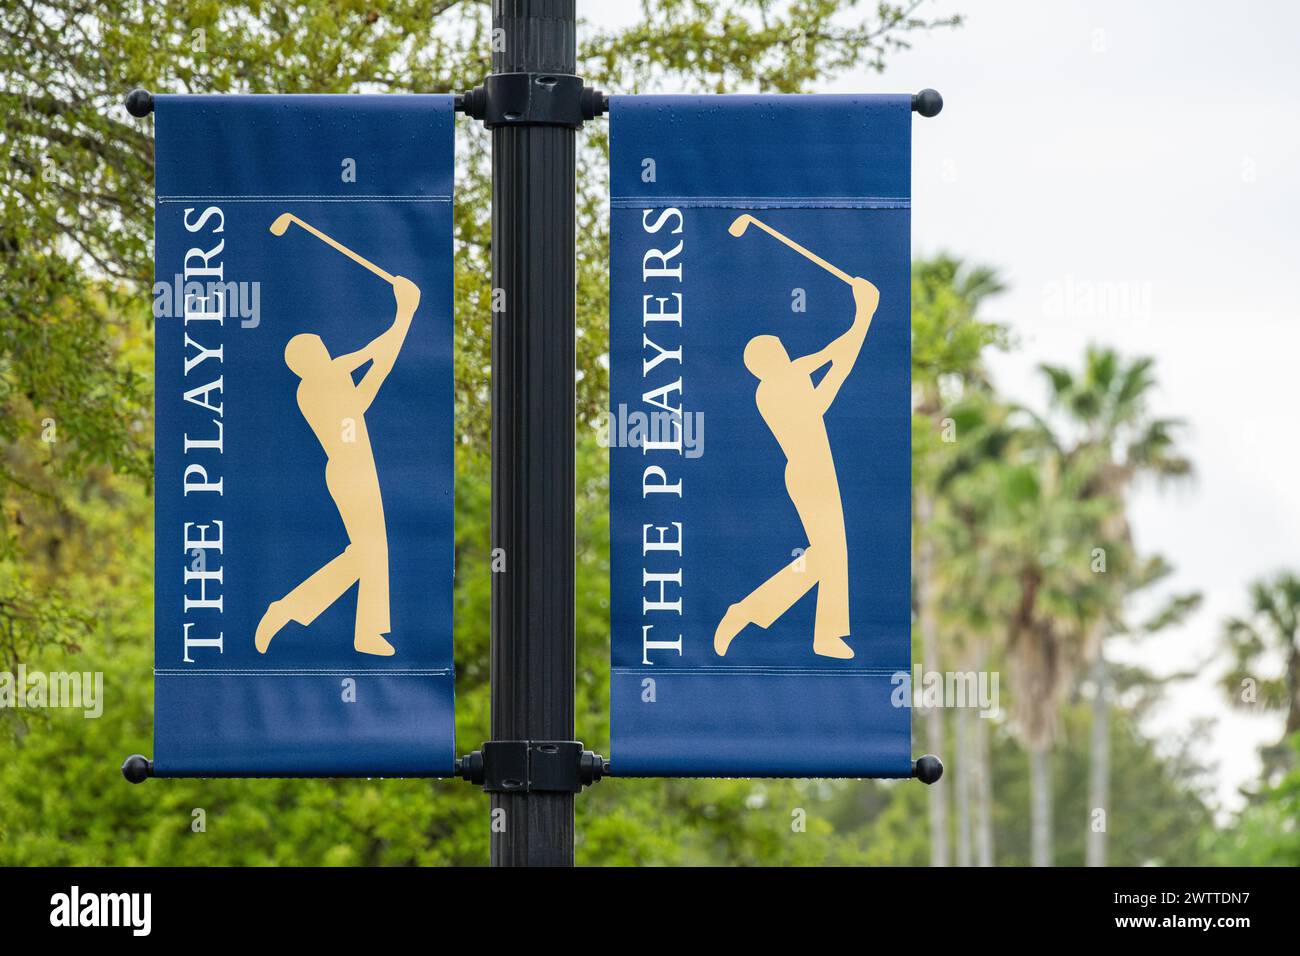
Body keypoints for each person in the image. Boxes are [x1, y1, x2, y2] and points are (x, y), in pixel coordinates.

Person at [714, 276, 879, 659]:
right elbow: (833, 353)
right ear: (767, 363)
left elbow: (835, 374)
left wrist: (863, 318)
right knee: (827, 553)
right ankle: (747, 610)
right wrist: (864, 312)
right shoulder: (774, 387)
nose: (785, 351)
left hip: (817, 468)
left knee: (831, 553)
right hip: (808, 472)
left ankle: (825, 635)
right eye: (778, 350)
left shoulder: (791, 382)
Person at [255, 275, 420, 657]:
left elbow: (375, 368)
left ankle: (365, 632)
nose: (325, 351)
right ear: (306, 362)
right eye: (317, 350)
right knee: (367, 552)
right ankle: (289, 608)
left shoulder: (331, 377)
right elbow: (372, 354)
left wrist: (403, 317)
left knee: (368, 552)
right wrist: (405, 311)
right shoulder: (317, 384)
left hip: (357, 466)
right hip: (348, 470)